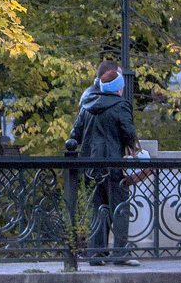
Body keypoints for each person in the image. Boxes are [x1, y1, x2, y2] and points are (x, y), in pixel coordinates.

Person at [68, 60, 139, 267]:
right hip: (113, 165)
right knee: (120, 207)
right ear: (117, 88)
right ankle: (120, 253)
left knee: (97, 207)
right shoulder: (120, 105)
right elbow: (129, 134)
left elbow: (75, 135)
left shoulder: (87, 106)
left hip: (90, 165)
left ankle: (96, 254)